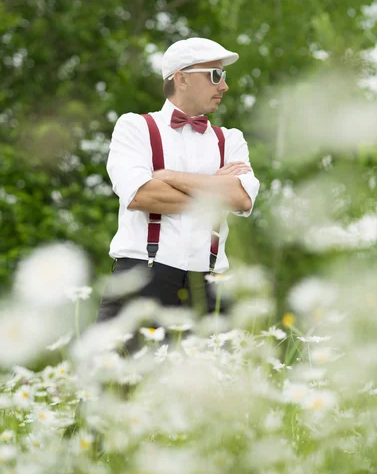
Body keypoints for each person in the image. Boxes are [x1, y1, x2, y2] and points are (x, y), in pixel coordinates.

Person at [98, 37, 260, 323]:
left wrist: (170, 177)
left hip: (210, 286)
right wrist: (213, 190)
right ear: (182, 79)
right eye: (215, 75)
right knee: (124, 367)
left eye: (224, 76)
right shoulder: (134, 127)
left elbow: (241, 198)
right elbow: (141, 196)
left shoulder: (231, 140)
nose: (224, 86)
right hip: (142, 277)